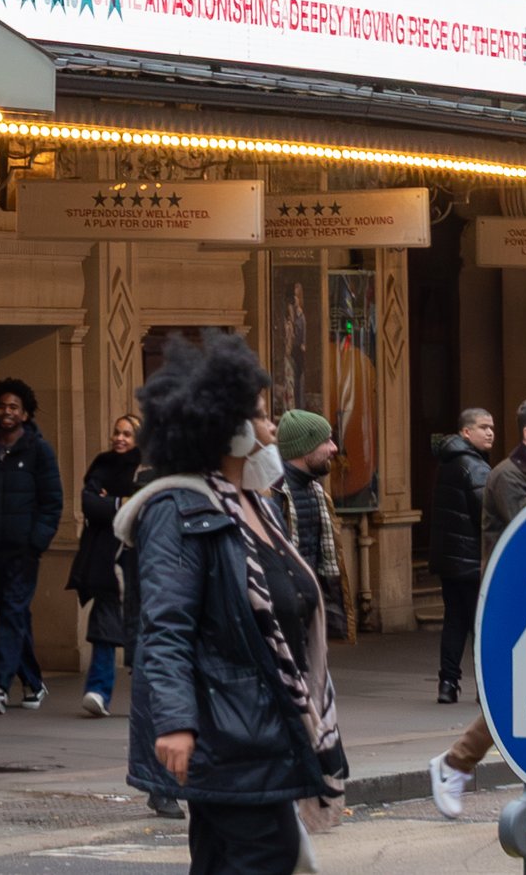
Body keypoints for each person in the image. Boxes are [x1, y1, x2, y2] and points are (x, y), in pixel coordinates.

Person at [120, 334, 344, 875]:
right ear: (231, 429)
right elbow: (165, 627)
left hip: (264, 726)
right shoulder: (180, 509)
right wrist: (174, 722)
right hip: (230, 734)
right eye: (264, 418)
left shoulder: (256, 503)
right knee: (261, 858)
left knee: (231, 862)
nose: (273, 430)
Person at [428, 395, 526, 818]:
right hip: (515, 596)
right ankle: (454, 763)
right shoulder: (508, 476)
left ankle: (466, 765)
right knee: (518, 692)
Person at [0, 377, 62, 712]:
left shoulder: (39, 450)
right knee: (13, 612)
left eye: (14, 407)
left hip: (24, 548)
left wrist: (37, 540)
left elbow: (53, 500)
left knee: (13, 610)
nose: (7, 412)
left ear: (25, 413)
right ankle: (34, 684)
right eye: (3, 406)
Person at [66, 413, 143, 718]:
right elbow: (88, 502)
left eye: (127, 434)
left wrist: (111, 502)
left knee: (142, 631)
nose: (120, 438)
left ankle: (146, 694)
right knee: (103, 627)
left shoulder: (146, 469)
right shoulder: (101, 463)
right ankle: (98, 690)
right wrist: (120, 503)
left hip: (136, 560)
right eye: (117, 432)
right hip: (105, 561)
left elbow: (141, 507)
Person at [428, 408, 493, 704]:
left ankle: (447, 684)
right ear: (466, 432)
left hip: (449, 559)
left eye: (492, 426)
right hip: (471, 560)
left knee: (454, 620)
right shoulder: (475, 467)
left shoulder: (447, 463)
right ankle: (486, 687)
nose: (490, 432)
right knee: (481, 624)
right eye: (483, 427)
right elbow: (486, 515)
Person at [270, 411, 348, 644]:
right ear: (305, 448)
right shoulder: (273, 494)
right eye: (326, 441)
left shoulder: (318, 493)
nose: (334, 448)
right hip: (284, 612)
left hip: (310, 611)